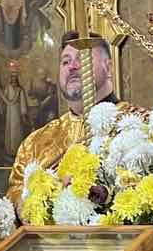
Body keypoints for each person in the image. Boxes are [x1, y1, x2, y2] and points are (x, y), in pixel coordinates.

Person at [7, 31, 115, 201]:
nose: (72, 66)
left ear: (108, 68)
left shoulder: (141, 124)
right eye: (66, 62)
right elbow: (15, 193)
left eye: (82, 58)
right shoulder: (34, 144)